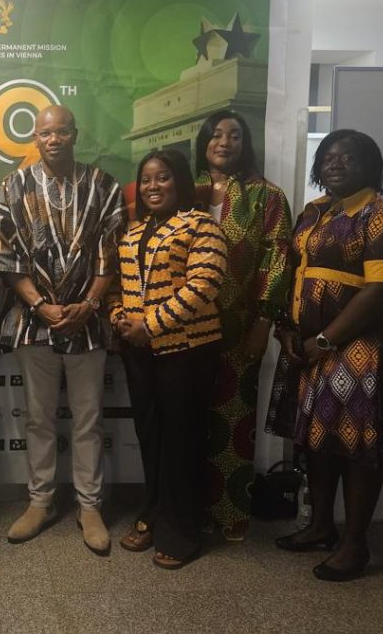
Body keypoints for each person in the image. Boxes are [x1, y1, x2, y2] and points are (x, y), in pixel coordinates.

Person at [266, 129, 383, 582]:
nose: (335, 163)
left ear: (370, 165)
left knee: (359, 447)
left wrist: (325, 340)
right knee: (316, 440)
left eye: (348, 157)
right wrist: (286, 329)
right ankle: (321, 526)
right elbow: (292, 273)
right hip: (308, 346)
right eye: (328, 157)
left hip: (360, 347)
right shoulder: (313, 213)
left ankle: (355, 545)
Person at [0, 104, 126, 555]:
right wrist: (40, 304)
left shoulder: (103, 185)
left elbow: (113, 252)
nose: (54, 140)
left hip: (88, 320)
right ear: (35, 138)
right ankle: (40, 502)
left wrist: (90, 303)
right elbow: (2, 255)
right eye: (45, 133)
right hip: (32, 320)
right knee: (38, 417)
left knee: (88, 418)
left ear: (75, 134)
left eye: (62, 132)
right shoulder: (13, 186)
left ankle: (90, 506)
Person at [107, 149, 228, 569]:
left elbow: (204, 285)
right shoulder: (133, 231)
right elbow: (118, 287)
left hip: (187, 351)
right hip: (140, 352)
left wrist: (151, 324)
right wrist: (120, 318)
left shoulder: (201, 225)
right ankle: (155, 511)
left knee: (182, 440)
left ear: (179, 180)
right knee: (152, 437)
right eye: (146, 179)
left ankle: (182, 531)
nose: (153, 186)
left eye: (162, 178)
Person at [191, 111, 292, 541]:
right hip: (185, 326)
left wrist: (264, 323)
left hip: (240, 327)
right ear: (203, 143)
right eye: (215, 135)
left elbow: (278, 260)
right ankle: (188, 511)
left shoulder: (267, 196)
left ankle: (230, 512)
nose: (224, 142)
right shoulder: (186, 190)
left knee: (233, 421)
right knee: (187, 420)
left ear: (245, 144)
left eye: (234, 135)